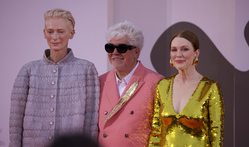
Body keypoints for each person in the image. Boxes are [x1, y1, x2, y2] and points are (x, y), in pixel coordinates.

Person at [9, 8, 100, 147]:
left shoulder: (87, 70)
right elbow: (16, 118)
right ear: (44, 33)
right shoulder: (28, 70)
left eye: (61, 31)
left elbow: (91, 119)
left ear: (72, 33)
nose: (55, 37)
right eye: (50, 31)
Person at [148, 30, 225, 146]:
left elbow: (216, 136)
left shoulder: (210, 88)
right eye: (174, 50)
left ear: (196, 53)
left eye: (185, 49)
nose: (178, 54)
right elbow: (156, 132)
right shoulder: (162, 86)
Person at [98, 21, 164, 147]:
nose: (115, 53)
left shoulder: (155, 82)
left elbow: (160, 130)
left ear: (136, 52)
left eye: (122, 48)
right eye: (110, 48)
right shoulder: (100, 82)